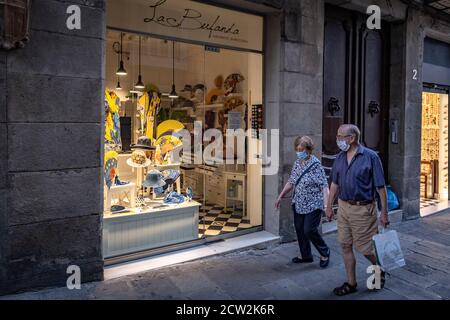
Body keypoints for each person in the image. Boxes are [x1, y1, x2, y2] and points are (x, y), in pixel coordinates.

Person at [325, 124, 390, 296]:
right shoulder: (339, 157)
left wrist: (384, 213)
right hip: (344, 207)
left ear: (352, 138)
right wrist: (329, 206)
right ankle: (351, 283)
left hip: (364, 209)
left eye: (340, 136)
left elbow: (380, 187)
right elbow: (334, 184)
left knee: (366, 249)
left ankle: (380, 269)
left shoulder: (371, 157)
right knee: (345, 245)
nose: (337, 139)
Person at [275, 136, 331, 269]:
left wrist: (326, 205)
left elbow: (324, 186)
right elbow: (291, 181)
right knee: (300, 230)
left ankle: (325, 252)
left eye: (302, 149)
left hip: (313, 204)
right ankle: (306, 255)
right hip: (298, 202)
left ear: (308, 150)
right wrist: (280, 196)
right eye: (297, 149)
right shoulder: (297, 163)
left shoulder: (316, 165)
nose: (299, 151)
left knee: (309, 230)